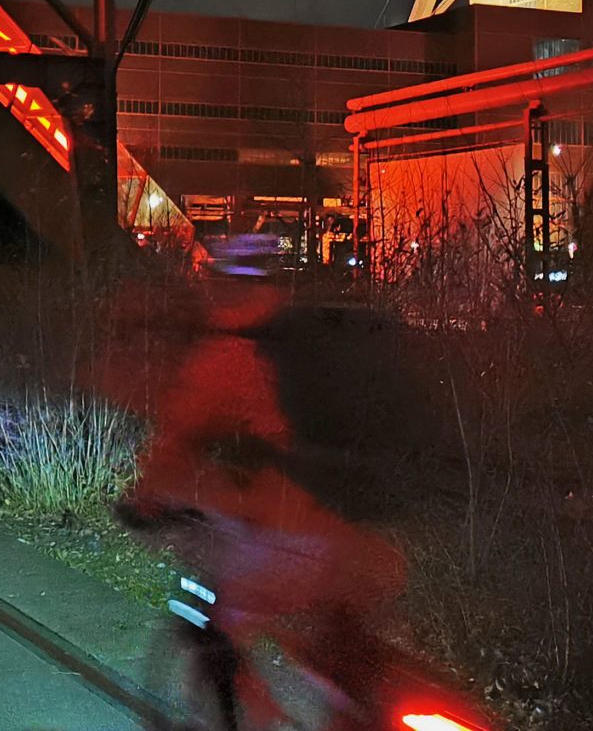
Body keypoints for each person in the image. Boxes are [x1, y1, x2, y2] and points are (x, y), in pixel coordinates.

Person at [111, 236, 407, 728]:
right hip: (358, 529)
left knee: (219, 623)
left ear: (217, 284)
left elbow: (178, 438)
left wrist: (143, 497)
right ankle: (356, 705)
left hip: (289, 531)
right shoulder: (302, 341)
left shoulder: (228, 354)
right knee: (328, 643)